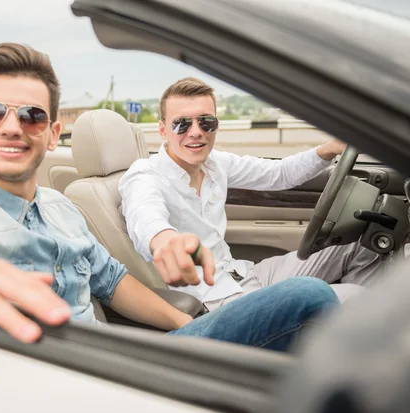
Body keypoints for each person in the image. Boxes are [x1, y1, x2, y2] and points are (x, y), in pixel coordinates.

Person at [0, 44, 339, 365]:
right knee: (309, 298)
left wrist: (194, 334)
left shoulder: (61, 207)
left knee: (305, 306)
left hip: (133, 358)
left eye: (32, 116)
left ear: (52, 131)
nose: (13, 126)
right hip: (77, 378)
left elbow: (113, 282)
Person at [119, 77, 380, 313]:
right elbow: (145, 215)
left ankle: (347, 341)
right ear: (163, 130)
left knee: (364, 242)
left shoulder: (216, 163)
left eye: (206, 122)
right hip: (217, 303)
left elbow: (279, 173)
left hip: (244, 274)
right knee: (356, 298)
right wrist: (164, 240)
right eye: (181, 124)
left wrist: (330, 148)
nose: (196, 131)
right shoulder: (144, 176)